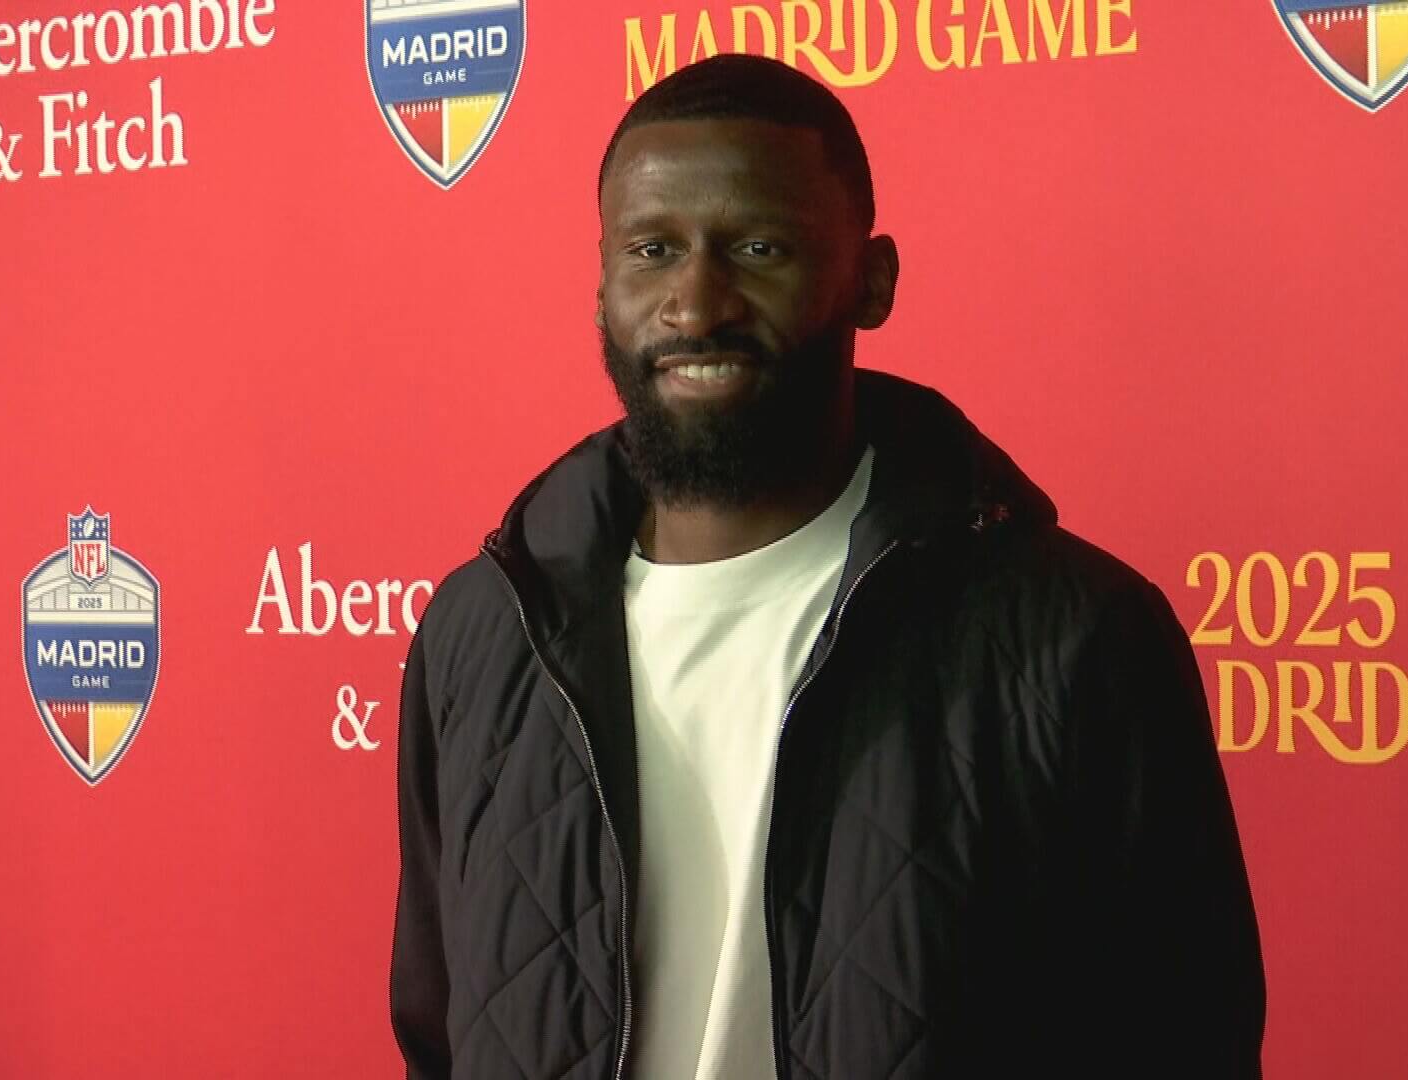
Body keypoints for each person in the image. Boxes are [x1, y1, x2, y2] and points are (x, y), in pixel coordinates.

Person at [391, 53, 1265, 1080]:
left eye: (758, 248)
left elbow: (1182, 1039)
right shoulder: (483, 630)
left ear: (872, 280)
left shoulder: (1076, 635)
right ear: (602, 285)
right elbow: (438, 1033)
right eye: (653, 250)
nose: (695, 304)